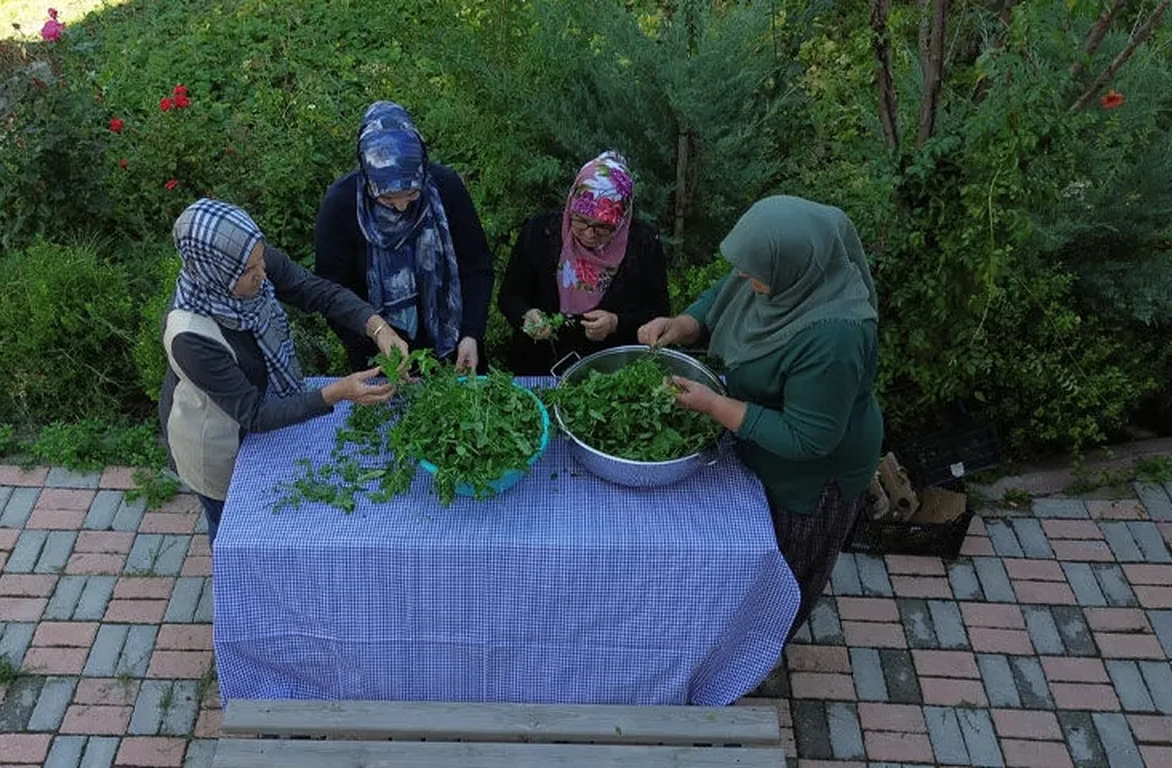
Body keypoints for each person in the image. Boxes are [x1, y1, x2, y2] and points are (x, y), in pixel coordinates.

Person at [638, 196, 882, 638]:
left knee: (788, 573)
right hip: (763, 443)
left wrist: (713, 404)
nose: (745, 278)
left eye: (755, 273)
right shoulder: (788, 276)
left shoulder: (834, 338)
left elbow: (809, 439)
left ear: (792, 269)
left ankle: (764, 651)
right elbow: (725, 294)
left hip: (811, 479)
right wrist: (684, 324)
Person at [159, 198, 406, 546]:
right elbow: (253, 414)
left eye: (261, 261)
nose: (262, 273)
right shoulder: (189, 335)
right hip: (216, 438)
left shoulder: (248, 259)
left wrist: (378, 327)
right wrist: (337, 393)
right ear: (216, 273)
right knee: (232, 531)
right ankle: (236, 587)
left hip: (263, 406)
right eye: (249, 271)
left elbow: (313, 290)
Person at [314, 100, 494, 372]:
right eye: (387, 198)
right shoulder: (341, 205)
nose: (401, 206)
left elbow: (476, 266)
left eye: (412, 194)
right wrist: (373, 344)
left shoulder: (447, 189)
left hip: (454, 347)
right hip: (379, 354)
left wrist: (471, 334)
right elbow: (332, 292)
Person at [497, 151, 669, 374]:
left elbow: (659, 314)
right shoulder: (541, 232)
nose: (589, 234)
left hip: (611, 373)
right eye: (580, 220)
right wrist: (527, 315)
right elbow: (510, 296)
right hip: (539, 364)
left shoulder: (643, 244)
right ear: (571, 205)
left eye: (604, 227)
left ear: (622, 219)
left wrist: (616, 323)